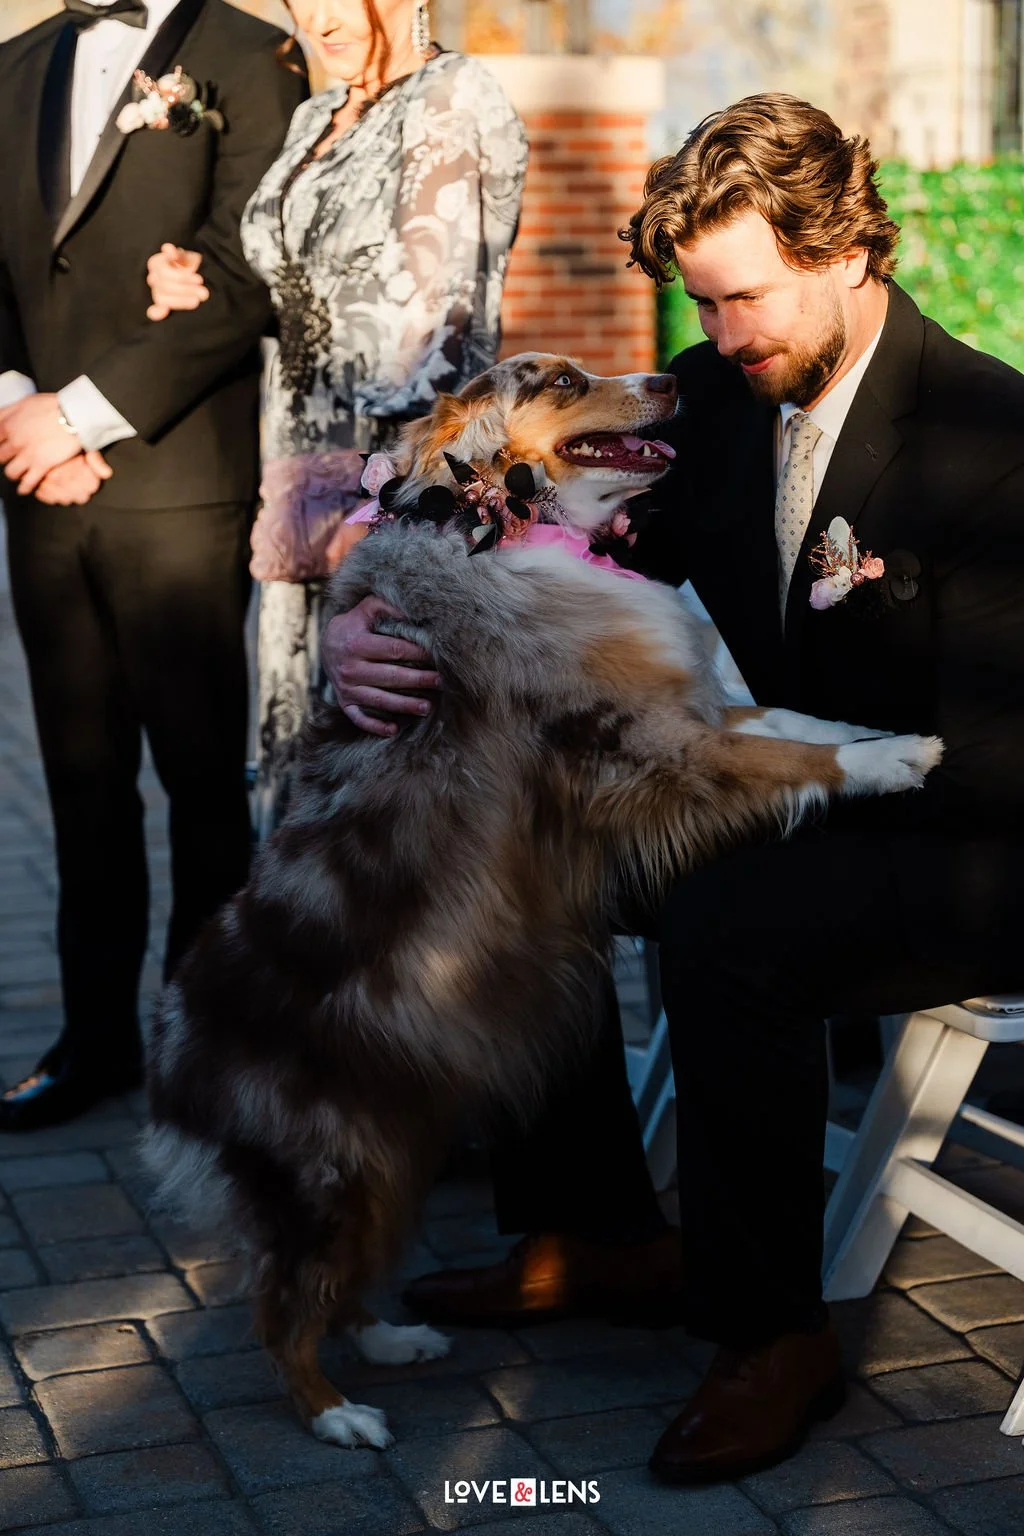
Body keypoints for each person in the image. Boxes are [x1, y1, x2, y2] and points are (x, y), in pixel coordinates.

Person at [322, 93, 1024, 1484]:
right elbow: (494, 510)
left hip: (975, 838)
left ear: (850, 249)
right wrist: (363, 612)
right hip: (801, 795)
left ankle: (771, 1334)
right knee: (518, 845)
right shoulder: (715, 396)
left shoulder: (992, 435)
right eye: (701, 306)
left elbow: (996, 762)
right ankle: (602, 1227)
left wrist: (732, 788)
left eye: (745, 298)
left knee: (730, 918)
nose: (721, 336)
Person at [0, 0, 308, 1131]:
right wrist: (19, 415)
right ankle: (95, 1043)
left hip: (176, 475)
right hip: (37, 485)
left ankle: (211, 1051)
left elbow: (248, 267)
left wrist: (85, 415)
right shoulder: (13, 64)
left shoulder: (247, 54)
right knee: (79, 783)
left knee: (198, 783)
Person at [144, 0, 528, 835]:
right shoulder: (317, 113)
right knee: (308, 826)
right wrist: (197, 280)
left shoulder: (453, 96)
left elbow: (437, 352)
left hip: (393, 528)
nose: (313, 15)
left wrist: (370, 543)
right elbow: (278, 283)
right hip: (298, 513)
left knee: (400, 836)